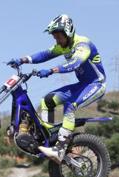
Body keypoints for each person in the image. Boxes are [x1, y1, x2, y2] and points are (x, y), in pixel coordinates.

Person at [7, 14, 106, 161]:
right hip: (81, 85)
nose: (57, 40)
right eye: (55, 37)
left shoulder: (83, 45)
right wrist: (22, 60)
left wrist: (51, 70)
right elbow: (44, 54)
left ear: (68, 32)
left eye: (58, 36)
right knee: (47, 100)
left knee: (70, 106)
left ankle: (60, 148)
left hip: (96, 84)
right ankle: (50, 138)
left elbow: (75, 64)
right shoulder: (63, 46)